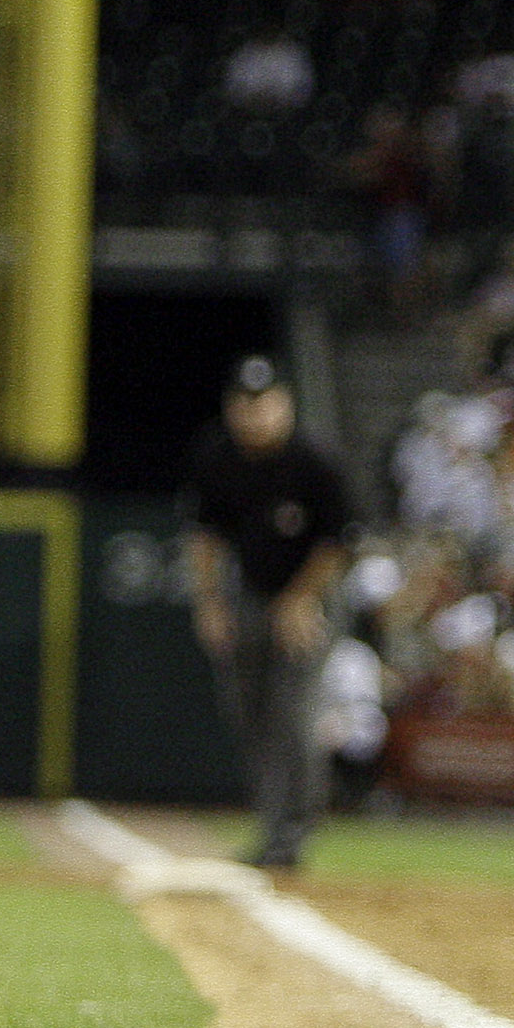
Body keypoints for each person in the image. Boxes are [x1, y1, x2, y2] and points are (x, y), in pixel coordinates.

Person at [183, 355, 354, 871]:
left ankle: (293, 832)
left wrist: (300, 600)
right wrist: (210, 602)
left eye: (264, 403)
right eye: (244, 404)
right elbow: (205, 536)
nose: (254, 415)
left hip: (310, 596)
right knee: (249, 713)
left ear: (286, 405)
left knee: (295, 716)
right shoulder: (218, 456)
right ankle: (274, 826)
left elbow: (339, 543)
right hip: (249, 595)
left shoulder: (315, 459)